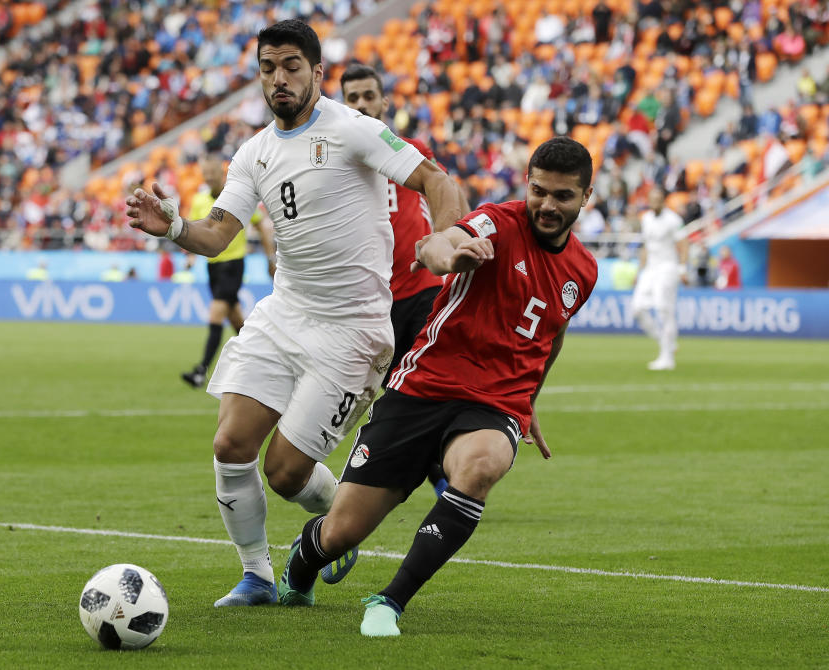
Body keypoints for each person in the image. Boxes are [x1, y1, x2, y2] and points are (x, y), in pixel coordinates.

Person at [125, 19, 468, 608]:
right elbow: (216, 233)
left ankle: (336, 523)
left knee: (285, 473)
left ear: (315, 72)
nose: (277, 79)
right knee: (230, 444)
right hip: (285, 313)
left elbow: (435, 180)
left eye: (289, 67)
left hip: (352, 329)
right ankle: (256, 576)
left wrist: (446, 238)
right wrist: (175, 227)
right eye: (267, 68)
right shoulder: (254, 153)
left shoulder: (352, 129)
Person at [275, 137, 598, 637]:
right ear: (527, 185)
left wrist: (529, 404)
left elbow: (553, 331)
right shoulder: (497, 223)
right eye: (539, 192)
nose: (548, 206)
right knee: (341, 533)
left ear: (586, 196)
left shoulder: (584, 269)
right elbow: (434, 244)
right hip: (423, 387)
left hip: (495, 404)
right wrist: (450, 256)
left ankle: (389, 601)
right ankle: (303, 560)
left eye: (562, 196)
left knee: (482, 464)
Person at [340, 64, 467, 496]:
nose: (361, 105)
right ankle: (432, 474)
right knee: (390, 396)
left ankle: (445, 479)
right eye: (352, 98)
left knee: (428, 386)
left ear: (384, 101)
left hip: (421, 290)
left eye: (368, 96)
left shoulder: (410, 151)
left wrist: (450, 238)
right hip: (370, 300)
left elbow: (447, 188)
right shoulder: (340, 160)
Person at [182, 154, 275, 388]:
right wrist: (191, 256)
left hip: (233, 264)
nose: (209, 177)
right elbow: (194, 230)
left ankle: (201, 370)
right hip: (212, 266)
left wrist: (269, 257)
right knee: (237, 322)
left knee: (215, 314)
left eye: (213, 172)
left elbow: (260, 225)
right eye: (206, 173)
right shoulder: (199, 201)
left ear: (222, 173)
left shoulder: (235, 199)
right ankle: (262, 363)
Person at [631, 186, 687, 371]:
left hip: (667, 267)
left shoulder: (673, 220)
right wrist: (639, 272)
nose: (654, 203)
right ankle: (667, 342)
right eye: (651, 200)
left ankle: (667, 357)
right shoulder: (646, 219)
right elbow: (646, 246)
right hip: (650, 268)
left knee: (664, 309)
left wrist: (682, 268)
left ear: (663, 200)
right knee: (637, 308)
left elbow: (683, 243)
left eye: (657, 200)